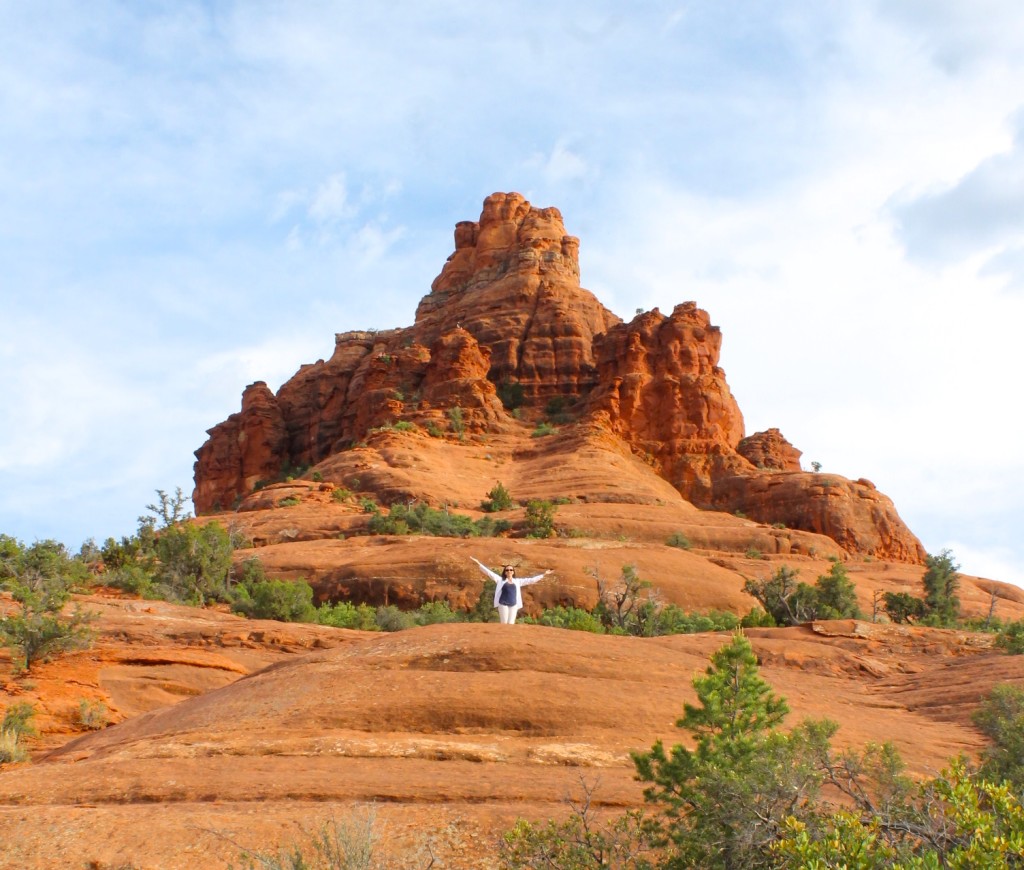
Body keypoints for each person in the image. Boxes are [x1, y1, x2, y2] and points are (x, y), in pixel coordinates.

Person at [470, 557, 552, 624]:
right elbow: (489, 573)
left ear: (513, 572)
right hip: (503, 604)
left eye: (511, 570)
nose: (509, 571)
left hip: (513, 604)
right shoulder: (500, 580)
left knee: (511, 624)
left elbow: (531, 580)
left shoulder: (517, 581)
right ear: (505, 572)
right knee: (504, 623)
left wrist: (544, 574)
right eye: (507, 570)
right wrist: (478, 563)